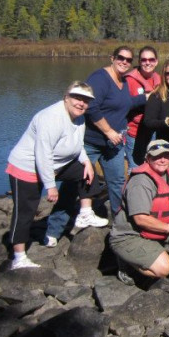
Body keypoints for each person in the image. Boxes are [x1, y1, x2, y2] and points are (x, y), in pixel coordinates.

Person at [6, 81, 106, 268]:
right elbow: (43, 154)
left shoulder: (79, 117)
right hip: (27, 167)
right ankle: (18, 257)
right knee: (25, 212)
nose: (81, 103)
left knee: (87, 173)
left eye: (86, 100)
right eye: (77, 98)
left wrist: (86, 161)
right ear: (66, 98)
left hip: (57, 164)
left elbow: (77, 145)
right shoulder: (51, 118)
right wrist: (50, 185)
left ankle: (85, 213)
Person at [51, 46, 144, 234]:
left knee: (117, 183)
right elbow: (91, 107)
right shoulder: (99, 78)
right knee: (74, 183)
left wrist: (148, 97)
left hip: (114, 145)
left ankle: (121, 224)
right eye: (121, 58)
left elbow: (125, 104)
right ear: (112, 58)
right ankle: (54, 229)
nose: (124, 62)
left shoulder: (124, 81)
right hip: (91, 143)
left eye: (128, 60)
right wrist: (108, 131)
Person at [110, 140, 169, 284]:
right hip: (131, 235)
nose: (162, 160)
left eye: (166, 156)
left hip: (156, 228)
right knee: (165, 269)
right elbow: (140, 219)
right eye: (156, 156)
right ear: (147, 158)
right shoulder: (140, 182)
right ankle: (127, 262)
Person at [124, 46, 161, 167]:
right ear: (139, 61)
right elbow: (122, 105)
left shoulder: (159, 79)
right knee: (134, 167)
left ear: (156, 61)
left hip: (152, 131)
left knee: (152, 165)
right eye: (144, 60)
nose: (147, 63)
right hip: (134, 132)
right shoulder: (128, 80)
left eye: (151, 60)